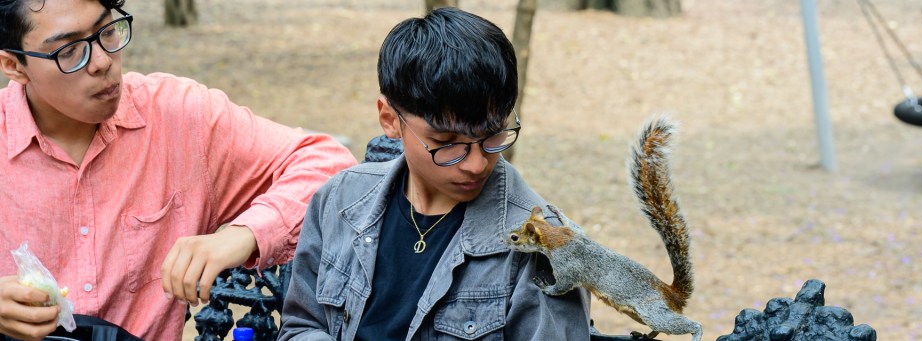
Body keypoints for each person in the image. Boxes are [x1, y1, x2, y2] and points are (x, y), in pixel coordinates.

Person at [0, 0, 357, 340]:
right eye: (69, 51)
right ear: (14, 66)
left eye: (106, 31)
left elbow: (329, 164)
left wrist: (244, 233)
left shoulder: (180, 118)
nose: (102, 62)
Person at [279, 7, 591, 341]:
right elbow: (302, 326)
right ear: (389, 119)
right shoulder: (340, 200)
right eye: (446, 142)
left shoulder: (546, 247)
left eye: (492, 135)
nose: (476, 163)